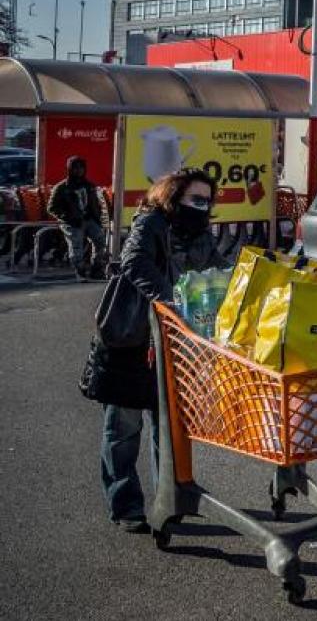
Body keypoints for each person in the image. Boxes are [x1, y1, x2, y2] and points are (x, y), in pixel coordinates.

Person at [92, 167, 228, 533]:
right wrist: (173, 301)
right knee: (124, 427)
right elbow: (135, 262)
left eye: (207, 200)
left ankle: (169, 498)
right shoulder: (151, 223)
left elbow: (217, 268)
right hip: (132, 338)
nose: (203, 206)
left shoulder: (201, 234)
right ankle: (126, 505)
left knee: (166, 427)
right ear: (173, 196)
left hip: (172, 343)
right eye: (195, 199)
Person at [48, 155, 107, 281]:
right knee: (76, 246)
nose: (79, 171)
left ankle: (96, 268)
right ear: (69, 169)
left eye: (81, 168)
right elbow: (52, 207)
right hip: (71, 221)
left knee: (100, 240)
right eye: (75, 168)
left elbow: (96, 203)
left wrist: (97, 217)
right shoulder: (62, 188)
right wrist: (67, 217)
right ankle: (79, 270)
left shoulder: (89, 185)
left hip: (89, 219)